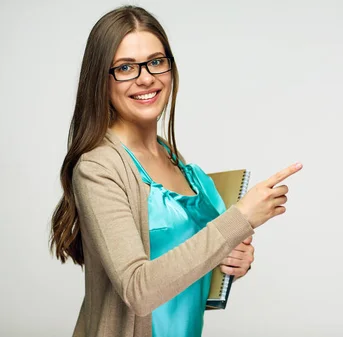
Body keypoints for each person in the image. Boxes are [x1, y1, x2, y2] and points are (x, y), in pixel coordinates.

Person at [49, 5, 302, 337]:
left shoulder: (173, 157)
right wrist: (240, 219)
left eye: (156, 61)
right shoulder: (98, 168)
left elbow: (184, 260)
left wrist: (231, 263)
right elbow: (138, 291)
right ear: (101, 80)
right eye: (125, 67)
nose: (146, 78)